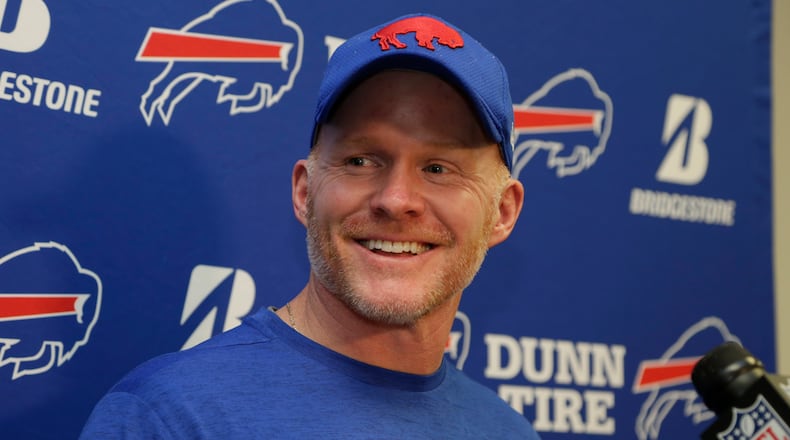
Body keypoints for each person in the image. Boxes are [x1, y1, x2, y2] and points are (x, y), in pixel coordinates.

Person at [80, 13, 539, 439]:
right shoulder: (171, 416)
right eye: (360, 160)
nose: (396, 200)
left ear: (502, 212)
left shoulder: (507, 431)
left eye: (439, 168)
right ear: (304, 192)